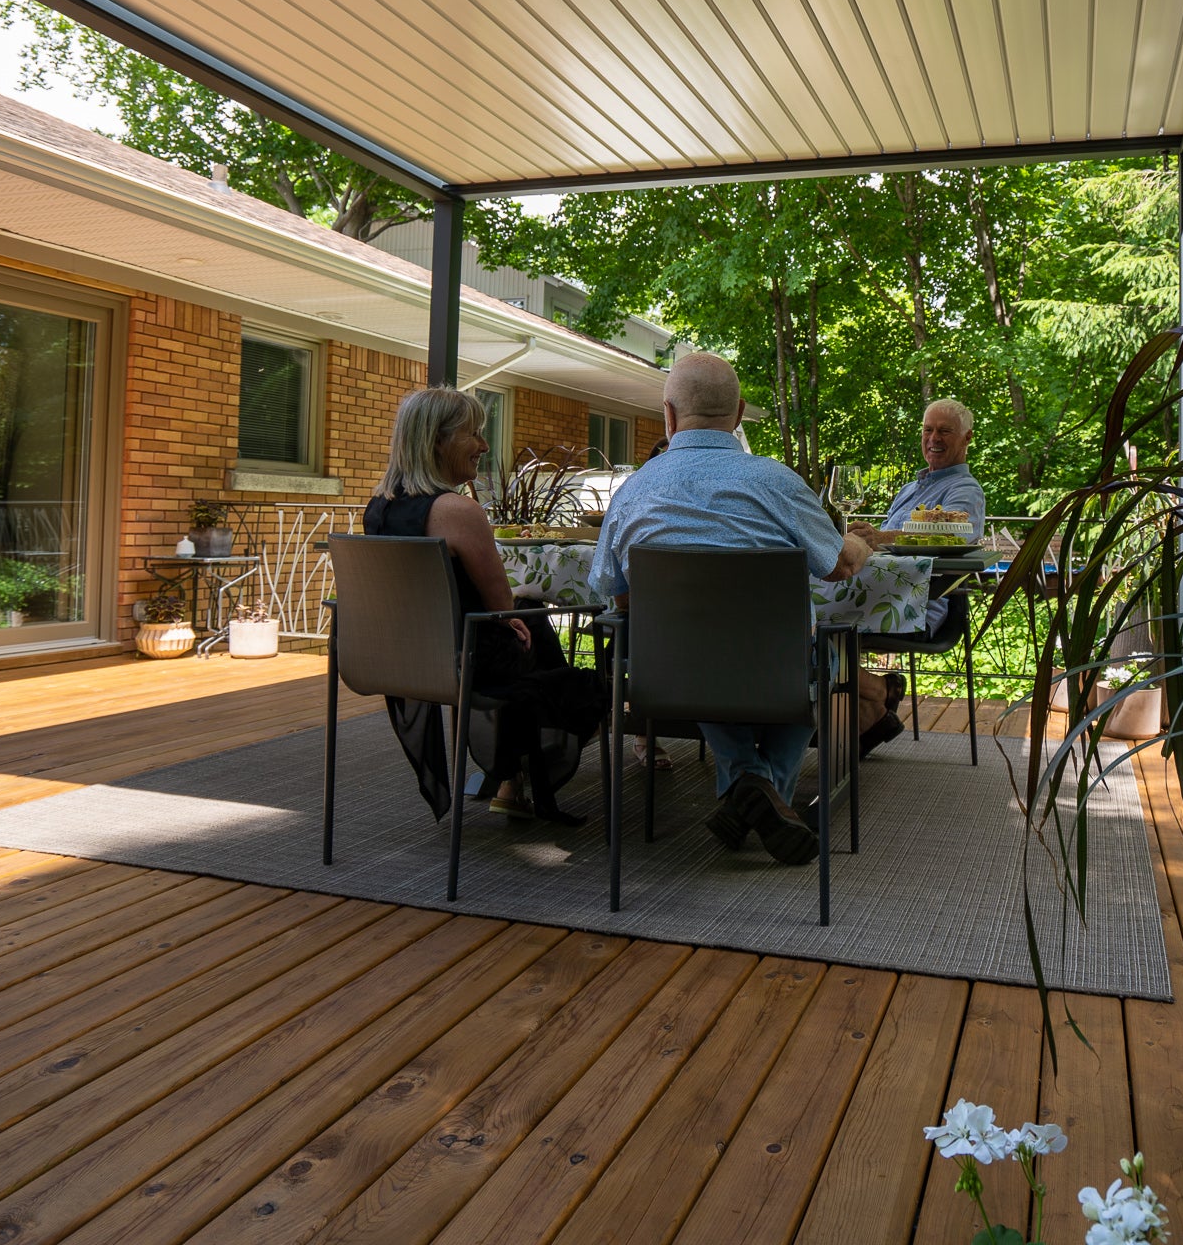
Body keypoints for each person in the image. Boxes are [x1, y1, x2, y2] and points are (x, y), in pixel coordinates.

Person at [589, 351, 870, 864]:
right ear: (739, 414)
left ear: (668, 416)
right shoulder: (777, 482)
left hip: (670, 676)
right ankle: (764, 791)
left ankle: (749, 791)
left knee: (696, 652)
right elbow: (836, 567)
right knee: (822, 659)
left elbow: (618, 595)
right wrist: (857, 543)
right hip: (775, 669)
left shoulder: (632, 492)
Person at [365, 386, 606, 825]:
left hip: (399, 659)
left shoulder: (378, 508)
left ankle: (512, 779)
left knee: (529, 628)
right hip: (467, 661)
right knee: (549, 645)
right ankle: (534, 768)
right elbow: (499, 604)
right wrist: (515, 613)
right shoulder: (458, 510)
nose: (484, 445)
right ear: (437, 441)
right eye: (472, 434)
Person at [846, 399, 989, 751]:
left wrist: (879, 538)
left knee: (811, 625)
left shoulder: (965, 491)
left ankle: (875, 698)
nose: (933, 438)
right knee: (802, 621)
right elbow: (882, 550)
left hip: (920, 604)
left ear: (967, 438)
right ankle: (871, 712)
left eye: (944, 431)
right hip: (877, 595)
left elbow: (956, 534)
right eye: (928, 430)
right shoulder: (912, 489)